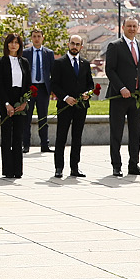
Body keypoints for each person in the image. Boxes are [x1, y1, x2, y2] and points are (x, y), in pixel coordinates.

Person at [102, 19, 140, 177]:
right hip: (119, 97)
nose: (132, 28)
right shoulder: (115, 46)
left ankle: (134, 165)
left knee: (136, 132)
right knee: (116, 132)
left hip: (136, 98)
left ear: (138, 28)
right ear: (123, 27)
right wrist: (121, 88)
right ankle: (116, 166)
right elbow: (110, 70)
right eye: (129, 26)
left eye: (134, 26)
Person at [52, 34, 93, 178]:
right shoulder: (59, 63)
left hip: (81, 107)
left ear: (81, 46)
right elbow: (54, 84)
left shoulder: (85, 63)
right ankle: (58, 167)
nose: (74, 46)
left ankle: (75, 167)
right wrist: (65, 98)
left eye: (77, 44)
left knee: (77, 137)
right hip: (65, 105)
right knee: (61, 137)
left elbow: (90, 84)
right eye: (72, 43)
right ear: (68, 44)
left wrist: (88, 94)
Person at [0, 31, 32, 179]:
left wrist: (24, 102)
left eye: (16, 43)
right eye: (11, 42)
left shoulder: (24, 62)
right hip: (6, 101)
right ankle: (8, 170)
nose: (14, 45)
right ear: (7, 44)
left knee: (18, 136)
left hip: (20, 101)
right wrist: (7, 104)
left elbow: (28, 84)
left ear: (20, 45)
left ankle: (18, 170)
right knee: (6, 136)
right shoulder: (1, 62)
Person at [23, 28, 53, 153]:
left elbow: (52, 71)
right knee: (26, 118)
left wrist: (52, 88)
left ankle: (44, 144)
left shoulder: (49, 53)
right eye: (34, 36)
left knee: (43, 118)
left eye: (39, 36)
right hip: (29, 88)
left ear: (43, 38)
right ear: (31, 38)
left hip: (43, 89)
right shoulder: (25, 53)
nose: (36, 39)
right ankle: (25, 145)